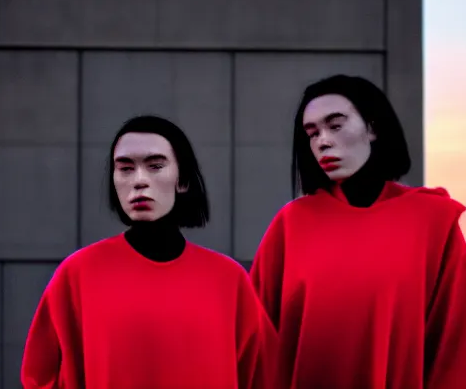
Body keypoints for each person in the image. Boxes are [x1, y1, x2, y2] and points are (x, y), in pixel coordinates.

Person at [249, 75, 466, 389]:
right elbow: (254, 345)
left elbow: (455, 347)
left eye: (335, 125)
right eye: (312, 132)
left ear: (372, 128)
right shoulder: (291, 224)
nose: (323, 141)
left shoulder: (433, 222)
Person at [21, 115, 277, 389]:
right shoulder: (78, 275)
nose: (139, 180)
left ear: (183, 180)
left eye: (155, 166)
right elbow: (39, 377)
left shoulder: (228, 280)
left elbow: (268, 375)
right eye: (126, 168)